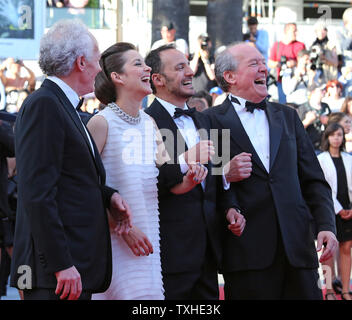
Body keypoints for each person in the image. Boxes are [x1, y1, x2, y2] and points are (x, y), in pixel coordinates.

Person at [9, 19, 132, 301]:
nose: (100, 68)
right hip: (55, 274)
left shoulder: (61, 105)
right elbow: (36, 192)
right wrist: (60, 263)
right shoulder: (45, 104)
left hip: (70, 268)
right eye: (97, 59)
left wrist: (108, 196)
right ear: (81, 62)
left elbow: (70, 178)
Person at [205, 42, 338, 300]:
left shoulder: (288, 117)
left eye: (263, 62)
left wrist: (326, 225)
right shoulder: (212, 121)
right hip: (247, 254)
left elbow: (314, 180)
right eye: (254, 63)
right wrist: (225, 179)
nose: (264, 68)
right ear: (230, 77)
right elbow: (208, 185)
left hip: (298, 249)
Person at [87, 42, 211, 300]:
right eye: (137, 64)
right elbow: (84, 185)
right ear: (117, 77)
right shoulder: (101, 122)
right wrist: (124, 227)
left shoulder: (149, 123)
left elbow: (168, 180)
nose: (146, 68)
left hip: (150, 241)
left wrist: (189, 178)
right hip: (116, 241)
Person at [145, 44, 246, 300]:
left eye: (188, 64)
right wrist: (184, 160)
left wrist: (231, 209)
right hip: (169, 253)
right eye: (180, 67)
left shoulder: (209, 120)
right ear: (157, 79)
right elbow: (147, 185)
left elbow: (223, 181)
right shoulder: (145, 122)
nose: (190, 71)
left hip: (210, 253)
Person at [318, 123, 352, 300]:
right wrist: (338, 209)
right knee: (328, 251)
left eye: (339, 135)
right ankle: (330, 290)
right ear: (327, 137)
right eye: (332, 135)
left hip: (349, 208)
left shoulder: (348, 157)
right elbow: (322, 188)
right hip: (329, 209)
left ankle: (345, 289)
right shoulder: (321, 159)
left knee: (346, 249)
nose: (336, 138)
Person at [268, 23, 306, 104]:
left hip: (296, 80)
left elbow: (305, 60)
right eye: (294, 31)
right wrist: (281, 64)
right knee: (283, 105)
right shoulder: (277, 45)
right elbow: (270, 63)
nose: (296, 33)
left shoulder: (300, 45)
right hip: (280, 80)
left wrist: (294, 63)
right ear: (286, 31)